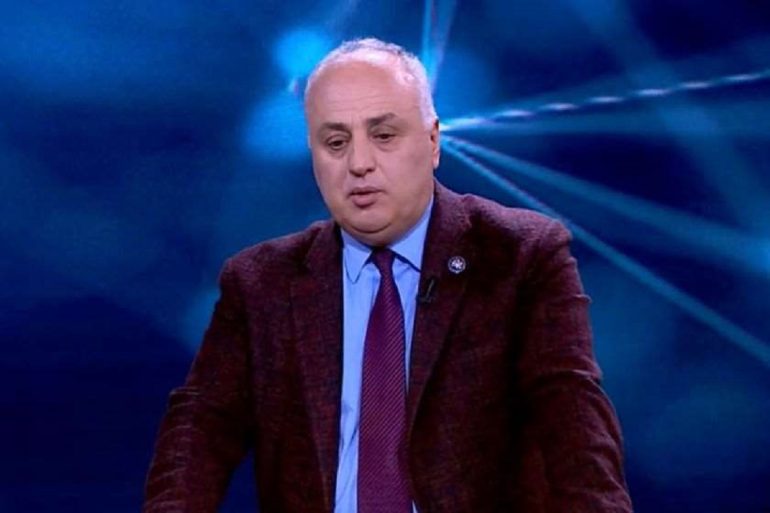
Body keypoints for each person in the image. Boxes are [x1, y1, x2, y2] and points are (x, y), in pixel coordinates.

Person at [143, 38, 633, 513]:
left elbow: (570, 414)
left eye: (383, 136)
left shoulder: (520, 255)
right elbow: (202, 423)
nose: (359, 164)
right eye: (336, 142)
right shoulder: (259, 282)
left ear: (433, 141)